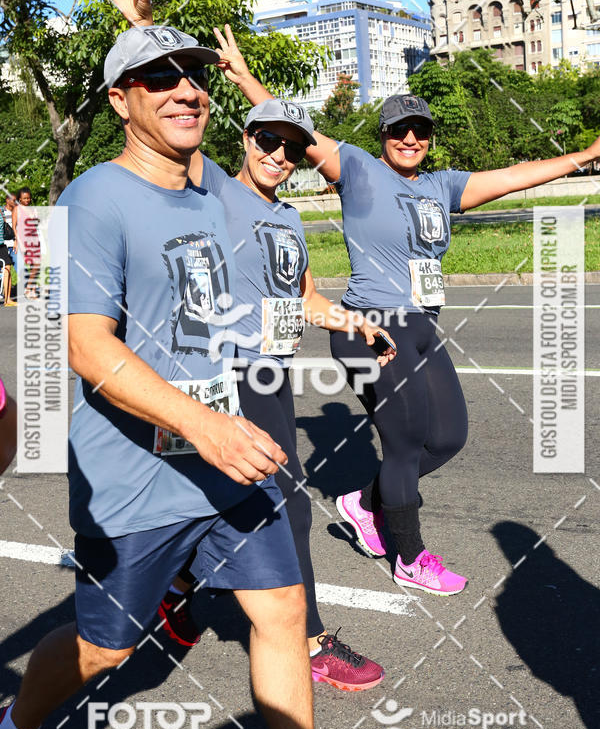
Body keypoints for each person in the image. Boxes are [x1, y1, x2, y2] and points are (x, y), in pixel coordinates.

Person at [0, 25, 323, 729]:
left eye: (193, 78)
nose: (185, 91)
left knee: (279, 611)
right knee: (107, 646)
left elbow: (284, 136)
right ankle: (16, 723)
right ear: (118, 101)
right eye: (157, 80)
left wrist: (153, 17)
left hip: (226, 460)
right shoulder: (89, 200)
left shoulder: (211, 184)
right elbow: (85, 348)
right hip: (138, 477)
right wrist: (202, 424)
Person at [89, 0, 396, 691]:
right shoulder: (216, 192)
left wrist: (347, 320)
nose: (280, 156)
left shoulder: (288, 218)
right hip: (227, 375)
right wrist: (142, 16)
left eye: (292, 149)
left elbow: (305, 298)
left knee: (245, 507)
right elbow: (167, 111)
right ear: (244, 141)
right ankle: (311, 638)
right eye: (267, 141)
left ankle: (186, 601)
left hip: (273, 372)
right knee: (283, 507)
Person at [203, 33, 600, 597]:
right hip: (371, 325)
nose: (410, 138)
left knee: (450, 438)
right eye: (398, 130)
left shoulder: (443, 186)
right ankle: (409, 555)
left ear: (430, 139)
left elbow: (515, 174)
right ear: (383, 136)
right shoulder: (360, 172)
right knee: (407, 443)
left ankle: (364, 504)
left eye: (420, 130)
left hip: (422, 325)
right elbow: (289, 133)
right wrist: (243, 78)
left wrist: (583, 157)